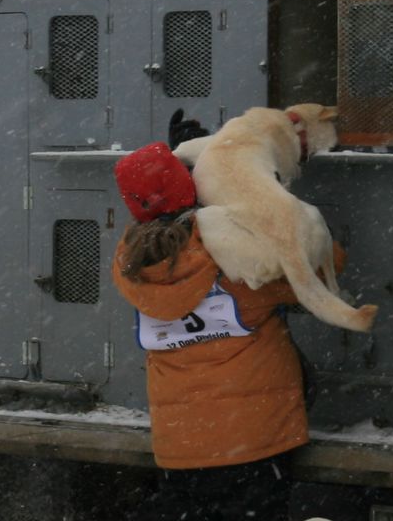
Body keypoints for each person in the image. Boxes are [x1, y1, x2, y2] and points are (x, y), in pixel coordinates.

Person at [112, 133, 311, 521]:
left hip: (180, 445)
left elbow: (165, 228)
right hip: (254, 440)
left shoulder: (131, 264)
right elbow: (322, 266)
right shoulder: (233, 255)